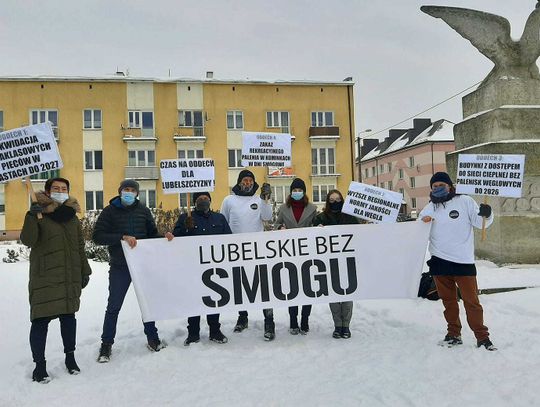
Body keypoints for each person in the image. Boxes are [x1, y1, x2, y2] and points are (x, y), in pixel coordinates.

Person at [20, 177, 92, 383]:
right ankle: (39, 367)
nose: (60, 191)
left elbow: (79, 246)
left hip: (69, 276)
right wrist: (31, 216)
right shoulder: (39, 213)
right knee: (40, 321)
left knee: (68, 319)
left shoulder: (72, 217)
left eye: (64, 188)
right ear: (48, 192)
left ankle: (70, 359)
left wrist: (84, 271)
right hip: (45, 277)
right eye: (56, 188)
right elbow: (28, 240)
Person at [93, 179, 173, 362]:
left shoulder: (143, 211)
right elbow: (98, 236)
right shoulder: (109, 211)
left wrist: (164, 237)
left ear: (137, 193)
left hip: (141, 266)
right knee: (113, 306)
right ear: (120, 191)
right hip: (120, 266)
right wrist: (121, 237)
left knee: (147, 304)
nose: (129, 192)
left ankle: (152, 338)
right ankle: (106, 345)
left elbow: (151, 234)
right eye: (126, 189)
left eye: (132, 190)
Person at [420, 172, 496, 350]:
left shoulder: (465, 201)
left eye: (441, 185)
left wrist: (487, 214)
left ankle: (482, 337)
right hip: (439, 261)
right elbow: (418, 229)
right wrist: (422, 222)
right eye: (434, 186)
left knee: (472, 302)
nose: (438, 188)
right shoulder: (430, 207)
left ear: (450, 186)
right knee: (448, 302)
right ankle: (454, 333)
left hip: (463, 261)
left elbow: (480, 222)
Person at [220, 169, 275, 340]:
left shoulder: (259, 200)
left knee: (262, 286)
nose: (248, 183)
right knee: (240, 285)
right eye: (244, 180)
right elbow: (223, 222)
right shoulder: (229, 200)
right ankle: (242, 317)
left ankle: (269, 321)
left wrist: (266, 199)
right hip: (236, 251)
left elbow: (267, 217)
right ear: (239, 182)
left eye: (250, 180)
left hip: (257, 250)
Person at [172, 192, 232, 346]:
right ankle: (193, 333)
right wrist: (186, 228)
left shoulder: (219, 218)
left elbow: (229, 239)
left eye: (206, 198)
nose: (203, 201)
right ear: (194, 202)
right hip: (192, 266)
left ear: (210, 201)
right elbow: (174, 239)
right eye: (200, 199)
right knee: (194, 299)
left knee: (214, 299)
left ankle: (215, 331)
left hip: (214, 267)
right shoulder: (185, 218)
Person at [312, 189, 359, 339]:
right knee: (333, 295)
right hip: (329, 263)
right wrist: (317, 230)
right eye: (331, 200)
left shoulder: (350, 217)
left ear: (342, 200)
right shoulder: (320, 218)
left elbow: (361, 235)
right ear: (327, 202)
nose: (335, 203)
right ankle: (337, 325)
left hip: (347, 262)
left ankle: (346, 326)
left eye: (337, 199)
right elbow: (312, 238)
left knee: (347, 295)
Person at [275, 178, 318, 335]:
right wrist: (281, 227)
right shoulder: (284, 208)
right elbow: (276, 224)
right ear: (291, 192)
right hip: (289, 253)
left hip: (307, 253)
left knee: (307, 288)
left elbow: (316, 224)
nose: (297, 193)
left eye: (300, 190)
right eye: (295, 190)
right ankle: (293, 321)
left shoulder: (312, 208)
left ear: (304, 192)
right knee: (292, 289)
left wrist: (317, 228)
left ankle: (305, 320)